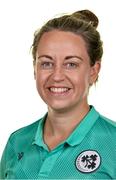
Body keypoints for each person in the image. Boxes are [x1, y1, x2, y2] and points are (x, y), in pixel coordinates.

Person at [0, 9, 116, 179]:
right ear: (35, 69)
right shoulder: (17, 142)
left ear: (93, 70)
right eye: (46, 63)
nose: (57, 76)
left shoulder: (112, 143)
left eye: (71, 64)